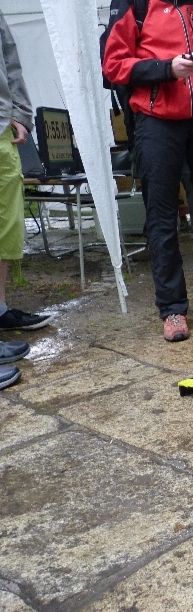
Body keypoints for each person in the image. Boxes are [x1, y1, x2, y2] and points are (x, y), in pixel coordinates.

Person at [103, 0, 193, 342]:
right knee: (162, 215)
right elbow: (112, 66)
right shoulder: (136, 4)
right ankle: (172, 308)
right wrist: (166, 68)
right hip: (156, 121)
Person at [0, 11, 50, 389]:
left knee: (6, 226)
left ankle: (0, 310)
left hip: (2, 125)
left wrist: (20, 112)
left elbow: (9, 56)